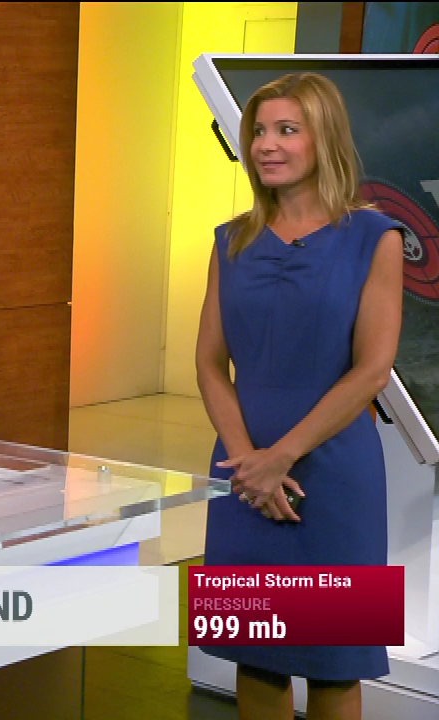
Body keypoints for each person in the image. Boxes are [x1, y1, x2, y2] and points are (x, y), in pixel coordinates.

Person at [195, 72, 403, 720]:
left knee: (335, 661)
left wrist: (280, 457)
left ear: (324, 139)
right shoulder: (230, 240)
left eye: (286, 129)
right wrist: (246, 463)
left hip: (331, 469)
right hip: (242, 469)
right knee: (256, 653)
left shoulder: (375, 237)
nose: (266, 144)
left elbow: (372, 371)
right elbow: (209, 364)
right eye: (259, 131)